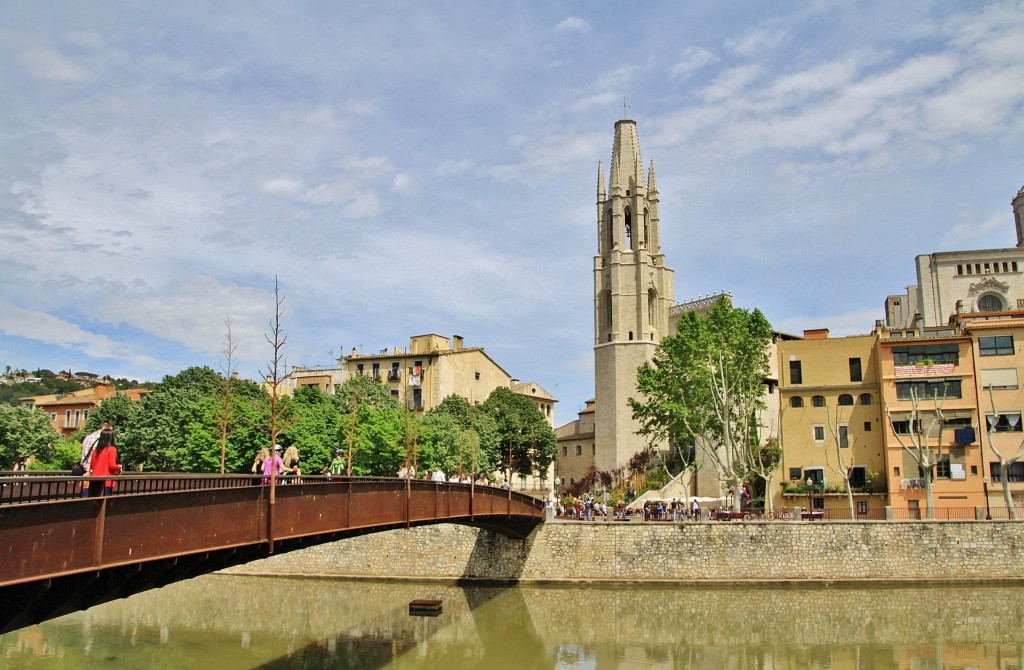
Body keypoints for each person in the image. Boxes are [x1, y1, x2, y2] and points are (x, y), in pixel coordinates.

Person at [86, 428, 121, 497]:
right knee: (105, 503)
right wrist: (119, 468)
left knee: (94, 501)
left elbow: (91, 466)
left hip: (94, 480)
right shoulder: (112, 449)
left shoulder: (95, 450)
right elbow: (112, 466)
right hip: (106, 481)